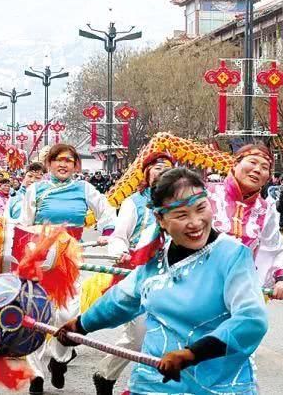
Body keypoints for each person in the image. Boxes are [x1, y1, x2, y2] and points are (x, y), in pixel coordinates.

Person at [56, 168, 268, 394]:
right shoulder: (156, 257)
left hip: (217, 385)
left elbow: (251, 319)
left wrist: (191, 353)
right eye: (181, 215)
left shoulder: (233, 255)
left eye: (201, 208)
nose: (195, 223)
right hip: (153, 382)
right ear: (161, 219)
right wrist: (81, 325)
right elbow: (121, 300)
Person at [15, 143, 117, 392]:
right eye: (58, 160)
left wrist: (107, 233)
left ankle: (59, 360)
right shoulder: (36, 190)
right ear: (49, 164)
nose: (63, 164)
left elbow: (107, 213)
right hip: (39, 261)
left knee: (67, 316)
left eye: (69, 161)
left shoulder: (85, 189)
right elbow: (23, 225)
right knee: (36, 315)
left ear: (75, 166)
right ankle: (35, 374)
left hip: (70, 260)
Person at [92, 151, 174, 394]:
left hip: (173, 279)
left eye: (167, 167)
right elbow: (118, 238)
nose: (162, 171)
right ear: (146, 172)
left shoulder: (181, 202)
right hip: (138, 276)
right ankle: (105, 374)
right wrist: (121, 252)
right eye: (157, 167)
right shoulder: (134, 203)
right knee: (137, 338)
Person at [206, 144, 283, 301]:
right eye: (252, 162)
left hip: (239, 294)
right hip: (197, 290)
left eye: (264, 167)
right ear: (235, 164)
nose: (257, 170)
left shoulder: (265, 209)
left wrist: (282, 279)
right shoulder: (206, 195)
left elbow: (277, 249)